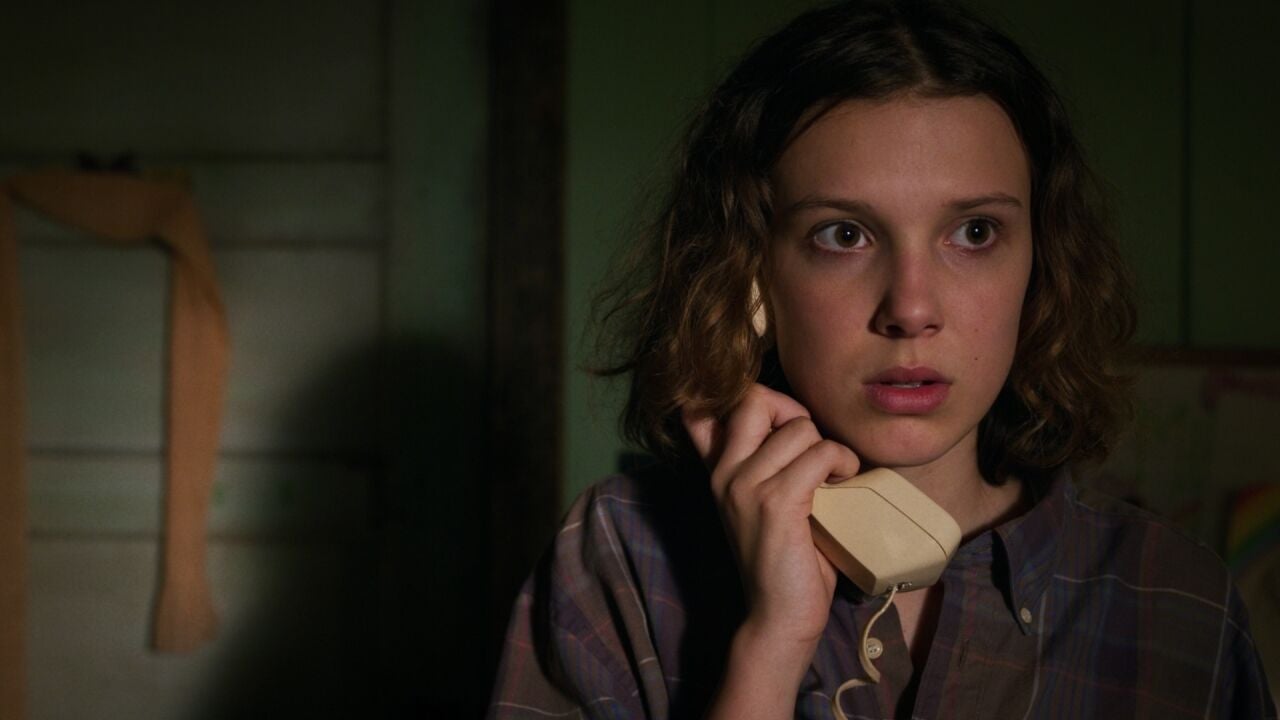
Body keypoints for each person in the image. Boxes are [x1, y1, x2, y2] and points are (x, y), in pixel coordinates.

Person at [488, 1, 1276, 718]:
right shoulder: (621, 561)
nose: (911, 308)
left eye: (974, 233)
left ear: (1042, 266)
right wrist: (771, 648)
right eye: (844, 235)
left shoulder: (1177, 603)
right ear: (751, 277)